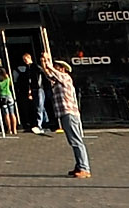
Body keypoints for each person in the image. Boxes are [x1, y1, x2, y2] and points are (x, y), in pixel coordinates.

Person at [35, 46, 89, 179]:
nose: (56, 68)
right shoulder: (58, 81)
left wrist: (48, 63)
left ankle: (84, 168)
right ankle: (79, 166)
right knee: (73, 140)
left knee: (76, 141)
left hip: (70, 113)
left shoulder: (65, 77)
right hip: (64, 113)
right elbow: (49, 75)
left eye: (57, 67)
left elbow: (54, 73)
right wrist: (44, 63)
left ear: (62, 68)